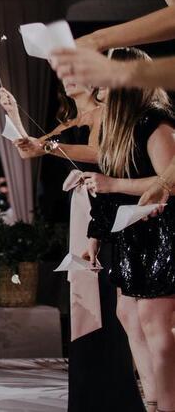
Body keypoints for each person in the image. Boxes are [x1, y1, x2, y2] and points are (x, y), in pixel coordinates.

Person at [0, 81, 143, 411]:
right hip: (80, 211)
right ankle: (87, 393)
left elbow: (98, 154)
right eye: (66, 76)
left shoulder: (105, 113)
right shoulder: (67, 122)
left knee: (106, 297)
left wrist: (50, 146)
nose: (69, 79)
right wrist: (15, 114)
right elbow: (29, 149)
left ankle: (115, 393)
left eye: (78, 74)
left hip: (105, 209)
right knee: (82, 295)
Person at [81, 47, 175, 412]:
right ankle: (151, 401)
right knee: (128, 316)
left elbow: (169, 181)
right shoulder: (117, 128)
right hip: (130, 235)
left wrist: (114, 184)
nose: (96, 85)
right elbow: (107, 192)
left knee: (154, 323)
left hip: (161, 233)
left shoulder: (156, 122)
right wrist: (95, 236)